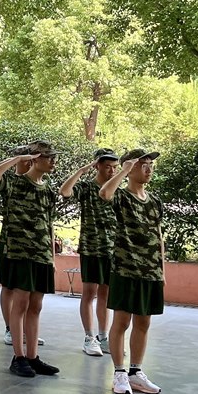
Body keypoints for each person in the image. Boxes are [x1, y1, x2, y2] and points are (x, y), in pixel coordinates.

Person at [0, 142, 59, 378]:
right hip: (19, 252)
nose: (53, 162)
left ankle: (33, 357)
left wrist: (51, 256)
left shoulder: (48, 188)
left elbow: (49, 223)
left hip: (41, 254)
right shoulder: (15, 183)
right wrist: (19, 158)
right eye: (48, 157)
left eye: (54, 157)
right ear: (35, 159)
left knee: (36, 306)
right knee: (21, 304)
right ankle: (19, 356)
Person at [99, 149, 165, 394]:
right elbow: (105, 193)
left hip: (150, 270)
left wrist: (161, 270)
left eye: (151, 165)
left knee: (144, 322)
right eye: (143, 164)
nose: (148, 169)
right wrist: (124, 170)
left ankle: (136, 373)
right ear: (131, 167)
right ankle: (119, 373)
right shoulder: (121, 196)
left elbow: (158, 236)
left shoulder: (155, 201)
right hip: (125, 268)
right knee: (122, 321)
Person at [60, 149, 119, 356]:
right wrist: (81, 171)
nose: (111, 171)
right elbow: (65, 191)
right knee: (89, 293)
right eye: (107, 166)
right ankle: (89, 337)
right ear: (97, 166)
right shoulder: (86, 187)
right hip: (91, 248)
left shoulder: (116, 190)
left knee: (106, 294)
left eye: (114, 167)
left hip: (112, 249)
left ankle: (103, 336)